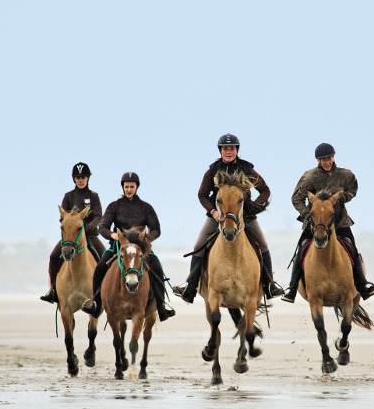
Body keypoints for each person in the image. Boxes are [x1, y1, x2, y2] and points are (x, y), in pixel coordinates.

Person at [172, 133, 284, 303]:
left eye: (231, 148)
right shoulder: (212, 170)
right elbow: (202, 195)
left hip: (244, 217)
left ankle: (269, 286)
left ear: (236, 150)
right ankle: (191, 287)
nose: (228, 151)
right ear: (221, 150)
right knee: (198, 245)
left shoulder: (247, 169)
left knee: (263, 244)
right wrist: (213, 212)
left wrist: (251, 207)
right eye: (225, 149)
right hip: (218, 217)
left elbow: (265, 191)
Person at [282, 142, 374, 303]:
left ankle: (363, 285)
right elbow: (296, 198)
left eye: (329, 158)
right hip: (316, 224)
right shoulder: (309, 177)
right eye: (323, 159)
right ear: (318, 161)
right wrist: (308, 214)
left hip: (340, 221)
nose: (327, 162)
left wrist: (342, 198)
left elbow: (353, 189)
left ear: (333, 157)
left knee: (352, 249)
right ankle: (292, 288)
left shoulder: (345, 175)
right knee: (302, 250)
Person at [81, 172, 176, 321]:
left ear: (137, 187)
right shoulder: (114, 206)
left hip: (140, 248)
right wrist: (112, 235)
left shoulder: (146, 207)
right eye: (126, 187)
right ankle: (96, 303)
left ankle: (161, 306)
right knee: (100, 268)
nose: (129, 189)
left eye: (132, 186)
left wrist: (147, 238)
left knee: (157, 266)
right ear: (123, 187)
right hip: (118, 247)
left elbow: (156, 228)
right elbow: (103, 227)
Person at [40, 162, 105, 304]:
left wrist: (86, 229)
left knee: (105, 259)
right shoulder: (68, 196)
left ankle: (103, 292)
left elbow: (99, 217)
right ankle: (53, 291)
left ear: (88, 178)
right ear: (74, 179)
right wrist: (71, 227)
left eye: (83, 177)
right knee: (53, 257)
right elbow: (62, 218)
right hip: (71, 237)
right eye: (77, 177)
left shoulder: (94, 196)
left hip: (90, 236)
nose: (80, 180)